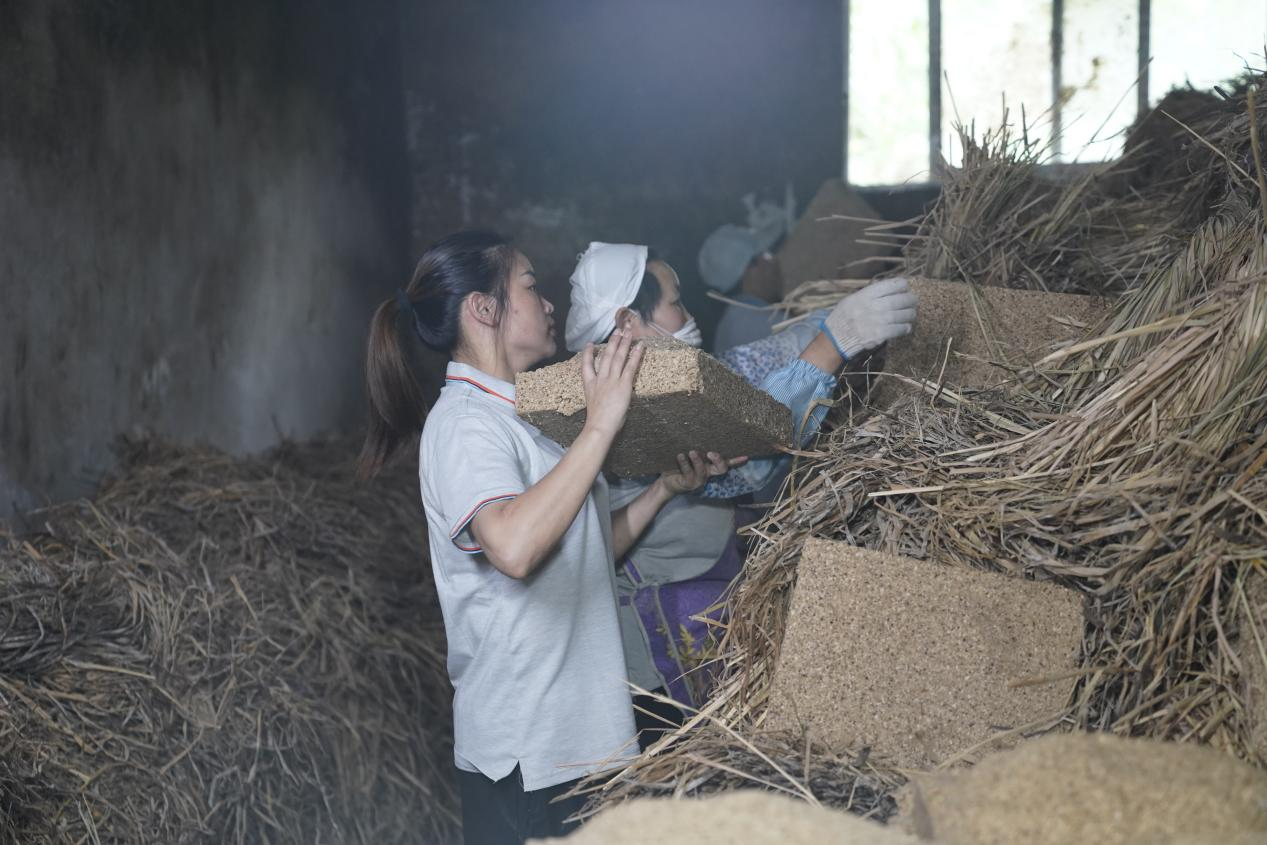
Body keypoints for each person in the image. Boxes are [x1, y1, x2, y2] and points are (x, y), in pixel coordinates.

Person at [358, 231, 736, 845]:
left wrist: (663, 490)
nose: (549, 302)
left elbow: (582, 552)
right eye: (531, 287)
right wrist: (601, 424)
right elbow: (513, 548)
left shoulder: (525, 419)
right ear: (484, 309)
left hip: (583, 742)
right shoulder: (464, 423)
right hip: (531, 755)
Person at [565, 242, 918, 746]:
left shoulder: (665, 387)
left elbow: (746, 373)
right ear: (627, 322)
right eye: (675, 302)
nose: (688, 315)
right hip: (656, 665)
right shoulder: (625, 413)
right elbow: (749, 438)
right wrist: (832, 343)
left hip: (697, 619)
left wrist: (829, 323)